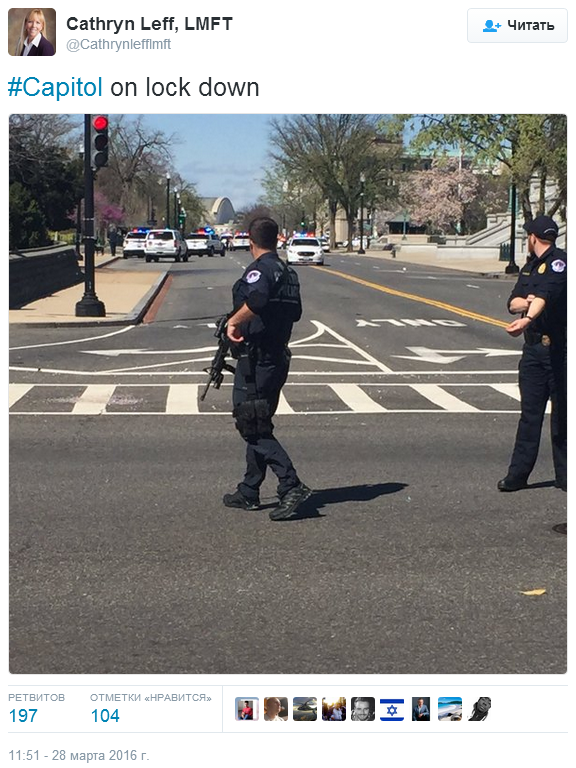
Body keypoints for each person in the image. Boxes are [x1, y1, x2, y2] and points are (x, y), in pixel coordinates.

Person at [223, 216, 312, 521]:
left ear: (251, 241)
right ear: (277, 239)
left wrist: (235, 320)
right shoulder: (288, 273)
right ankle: (249, 490)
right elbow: (296, 312)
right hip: (277, 358)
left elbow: (258, 298)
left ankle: (291, 484)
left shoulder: (261, 270)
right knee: (259, 421)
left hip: (258, 359)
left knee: (250, 422)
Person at [498, 215, 567, 492]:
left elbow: (544, 296)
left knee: (563, 418)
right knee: (529, 415)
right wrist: (525, 304)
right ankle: (517, 475)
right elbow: (513, 301)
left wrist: (527, 317)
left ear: (533, 238)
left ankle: (565, 476)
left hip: (561, 351)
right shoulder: (529, 267)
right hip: (534, 351)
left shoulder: (560, 263)